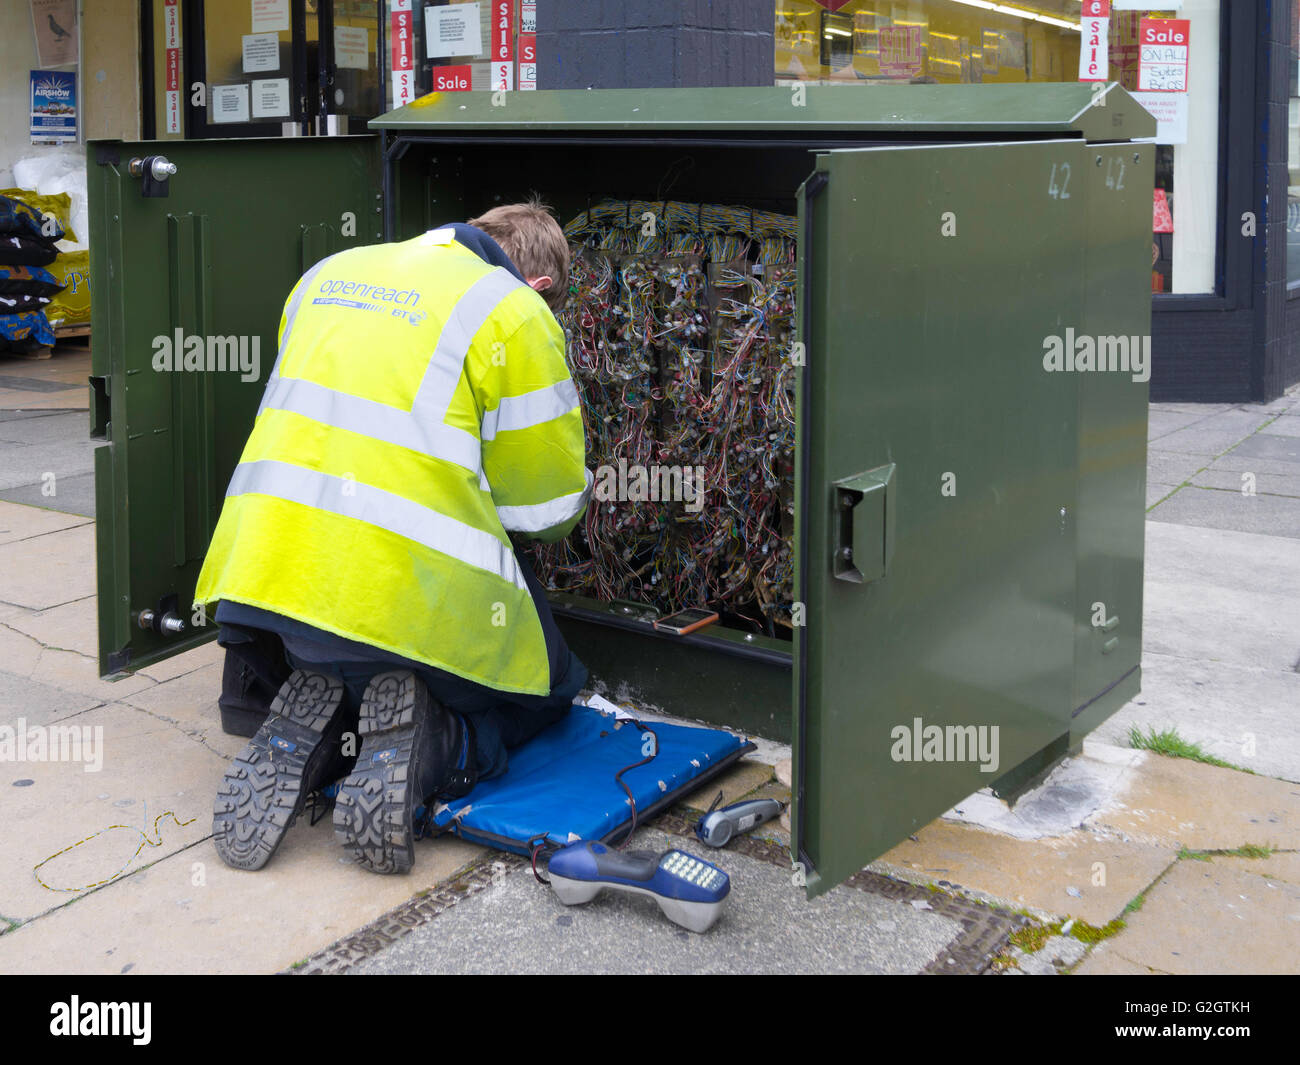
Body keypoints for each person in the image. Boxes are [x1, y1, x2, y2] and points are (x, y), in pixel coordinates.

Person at [195, 200, 591, 876]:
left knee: (348, 668)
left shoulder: (330, 273)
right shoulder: (513, 311)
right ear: (543, 287)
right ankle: (446, 743)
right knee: (552, 688)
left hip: (269, 596)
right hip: (401, 614)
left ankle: (328, 734)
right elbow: (544, 512)